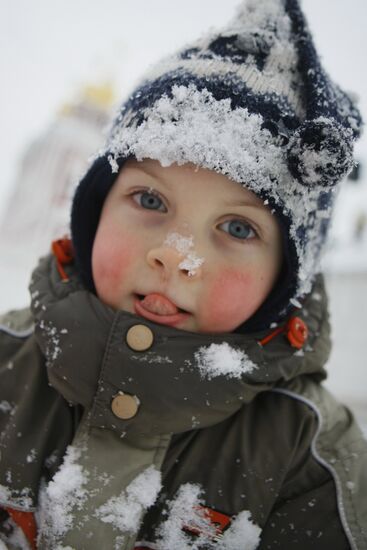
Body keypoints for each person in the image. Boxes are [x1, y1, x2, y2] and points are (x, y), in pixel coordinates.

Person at [0, 0, 366, 548]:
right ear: (94, 210)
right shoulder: (8, 361)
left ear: (285, 280)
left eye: (239, 228)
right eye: (149, 198)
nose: (176, 256)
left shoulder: (309, 455)